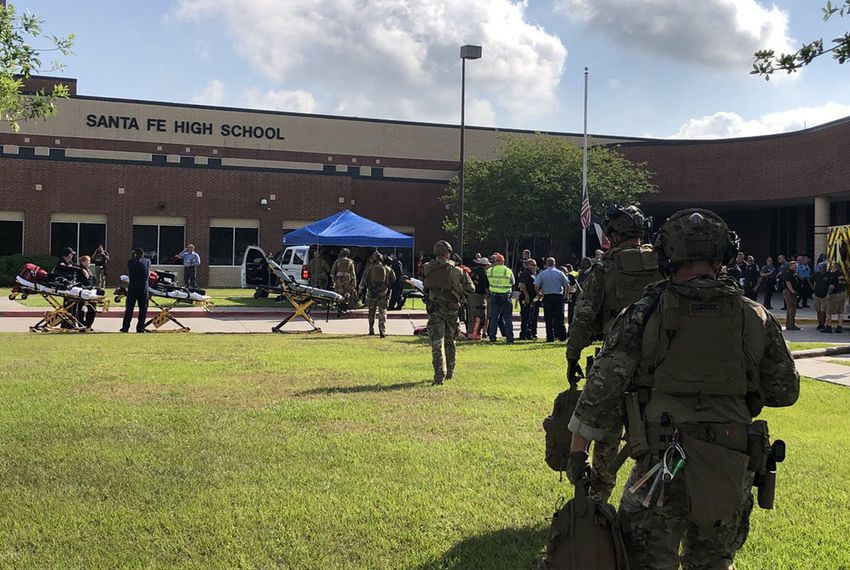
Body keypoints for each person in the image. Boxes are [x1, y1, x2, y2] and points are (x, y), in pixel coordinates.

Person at [566, 208, 800, 569]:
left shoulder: (644, 312)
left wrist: (578, 453)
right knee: (712, 562)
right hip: (731, 461)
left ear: (666, 255)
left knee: (644, 559)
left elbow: (602, 389)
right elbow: (785, 391)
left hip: (663, 464)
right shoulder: (754, 315)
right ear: (723, 256)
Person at [566, 204, 661, 501]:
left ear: (612, 234)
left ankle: (599, 498)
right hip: (661, 360)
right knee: (658, 431)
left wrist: (572, 355)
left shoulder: (604, 267)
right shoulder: (663, 263)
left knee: (606, 432)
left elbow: (583, 317)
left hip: (616, 358)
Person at [423, 240, 474, 385]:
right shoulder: (457, 271)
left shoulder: (428, 268)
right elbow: (471, 288)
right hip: (452, 310)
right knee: (450, 341)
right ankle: (450, 371)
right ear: (448, 252)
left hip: (435, 309)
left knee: (436, 343)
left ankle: (438, 375)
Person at [359, 251, 395, 337]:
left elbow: (363, 280)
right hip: (383, 293)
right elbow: (393, 279)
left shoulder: (369, 268)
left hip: (372, 293)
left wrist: (360, 288)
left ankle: (371, 329)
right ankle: (382, 330)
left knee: (372, 312)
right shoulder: (387, 268)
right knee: (382, 312)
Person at [534, 257, 570, 342]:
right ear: (554, 263)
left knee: (548, 317)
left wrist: (538, 293)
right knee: (559, 317)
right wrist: (566, 295)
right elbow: (567, 285)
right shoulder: (560, 273)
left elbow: (536, 286)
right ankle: (561, 336)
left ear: (546, 263)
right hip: (558, 297)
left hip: (547, 297)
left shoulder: (542, 274)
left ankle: (550, 336)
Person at [486, 253, 515, 343]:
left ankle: (492, 337)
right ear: (503, 261)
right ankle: (509, 338)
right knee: (507, 317)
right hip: (506, 295)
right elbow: (513, 282)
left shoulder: (490, 270)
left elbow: (488, 281)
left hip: (494, 295)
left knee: (494, 317)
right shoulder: (508, 271)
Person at [121, 248, 151, 333]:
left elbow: (130, 266)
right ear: (143, 254)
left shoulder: (131, 262)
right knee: (143, 309)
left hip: (133, 287)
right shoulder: (147, 261)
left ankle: (125, 327)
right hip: (143, 287)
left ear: (135, 254)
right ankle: (140, 328)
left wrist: (133, 256)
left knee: (129, 308)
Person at [517, 258, 539, 340]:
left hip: (532, 298)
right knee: (525, 316)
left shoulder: (532, 274)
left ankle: (529, 334)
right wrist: (526, 295)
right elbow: (522, 285)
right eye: (534, 265)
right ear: (528, 265)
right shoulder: (525, 273)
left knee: (530, 317)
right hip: (526, 298)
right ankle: (523, 334)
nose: (535, 267)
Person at [468, 257, 490, 339]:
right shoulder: (484, 274)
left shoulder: (472, 270)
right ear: (485, 265)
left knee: (471, 314)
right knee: (479, 315)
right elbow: (487, 287)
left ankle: (470, 332)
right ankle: (475, 333)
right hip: (480, 296)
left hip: (471, 294)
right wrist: (489, 295)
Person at [826, 261, 846, 333]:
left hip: (835, 295)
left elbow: (832, 286)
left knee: (829, 312)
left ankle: (828, 327)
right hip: (843, 294)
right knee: (840, 312)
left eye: (832, 267)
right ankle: (839, 327)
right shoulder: (842, 275)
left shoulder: (833, 275)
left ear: (834, 268)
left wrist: (828, 294)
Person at [780, 260, 801, 331]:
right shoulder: (788, 273)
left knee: (791, 308)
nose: (796, 267)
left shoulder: (794, 273)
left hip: (792, 291)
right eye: (794, 265)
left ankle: (789, 324)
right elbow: (788, 283)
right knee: (791, 307)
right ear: (790, 266)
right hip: (789, 291)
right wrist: (792, 291)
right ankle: (791, 324)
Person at [812, 261, 831, 331]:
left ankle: (823, 324)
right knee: (818, 310)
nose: (821, 269)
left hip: (824, 296)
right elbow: (810, 279)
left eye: (823, 268)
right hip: (817, 295)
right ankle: (819, 324)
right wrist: (813, 288)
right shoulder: (816, 275)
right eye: (820, 268)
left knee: (823, 311)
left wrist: (829, 293)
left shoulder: (829, 275)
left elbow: (831, 284)